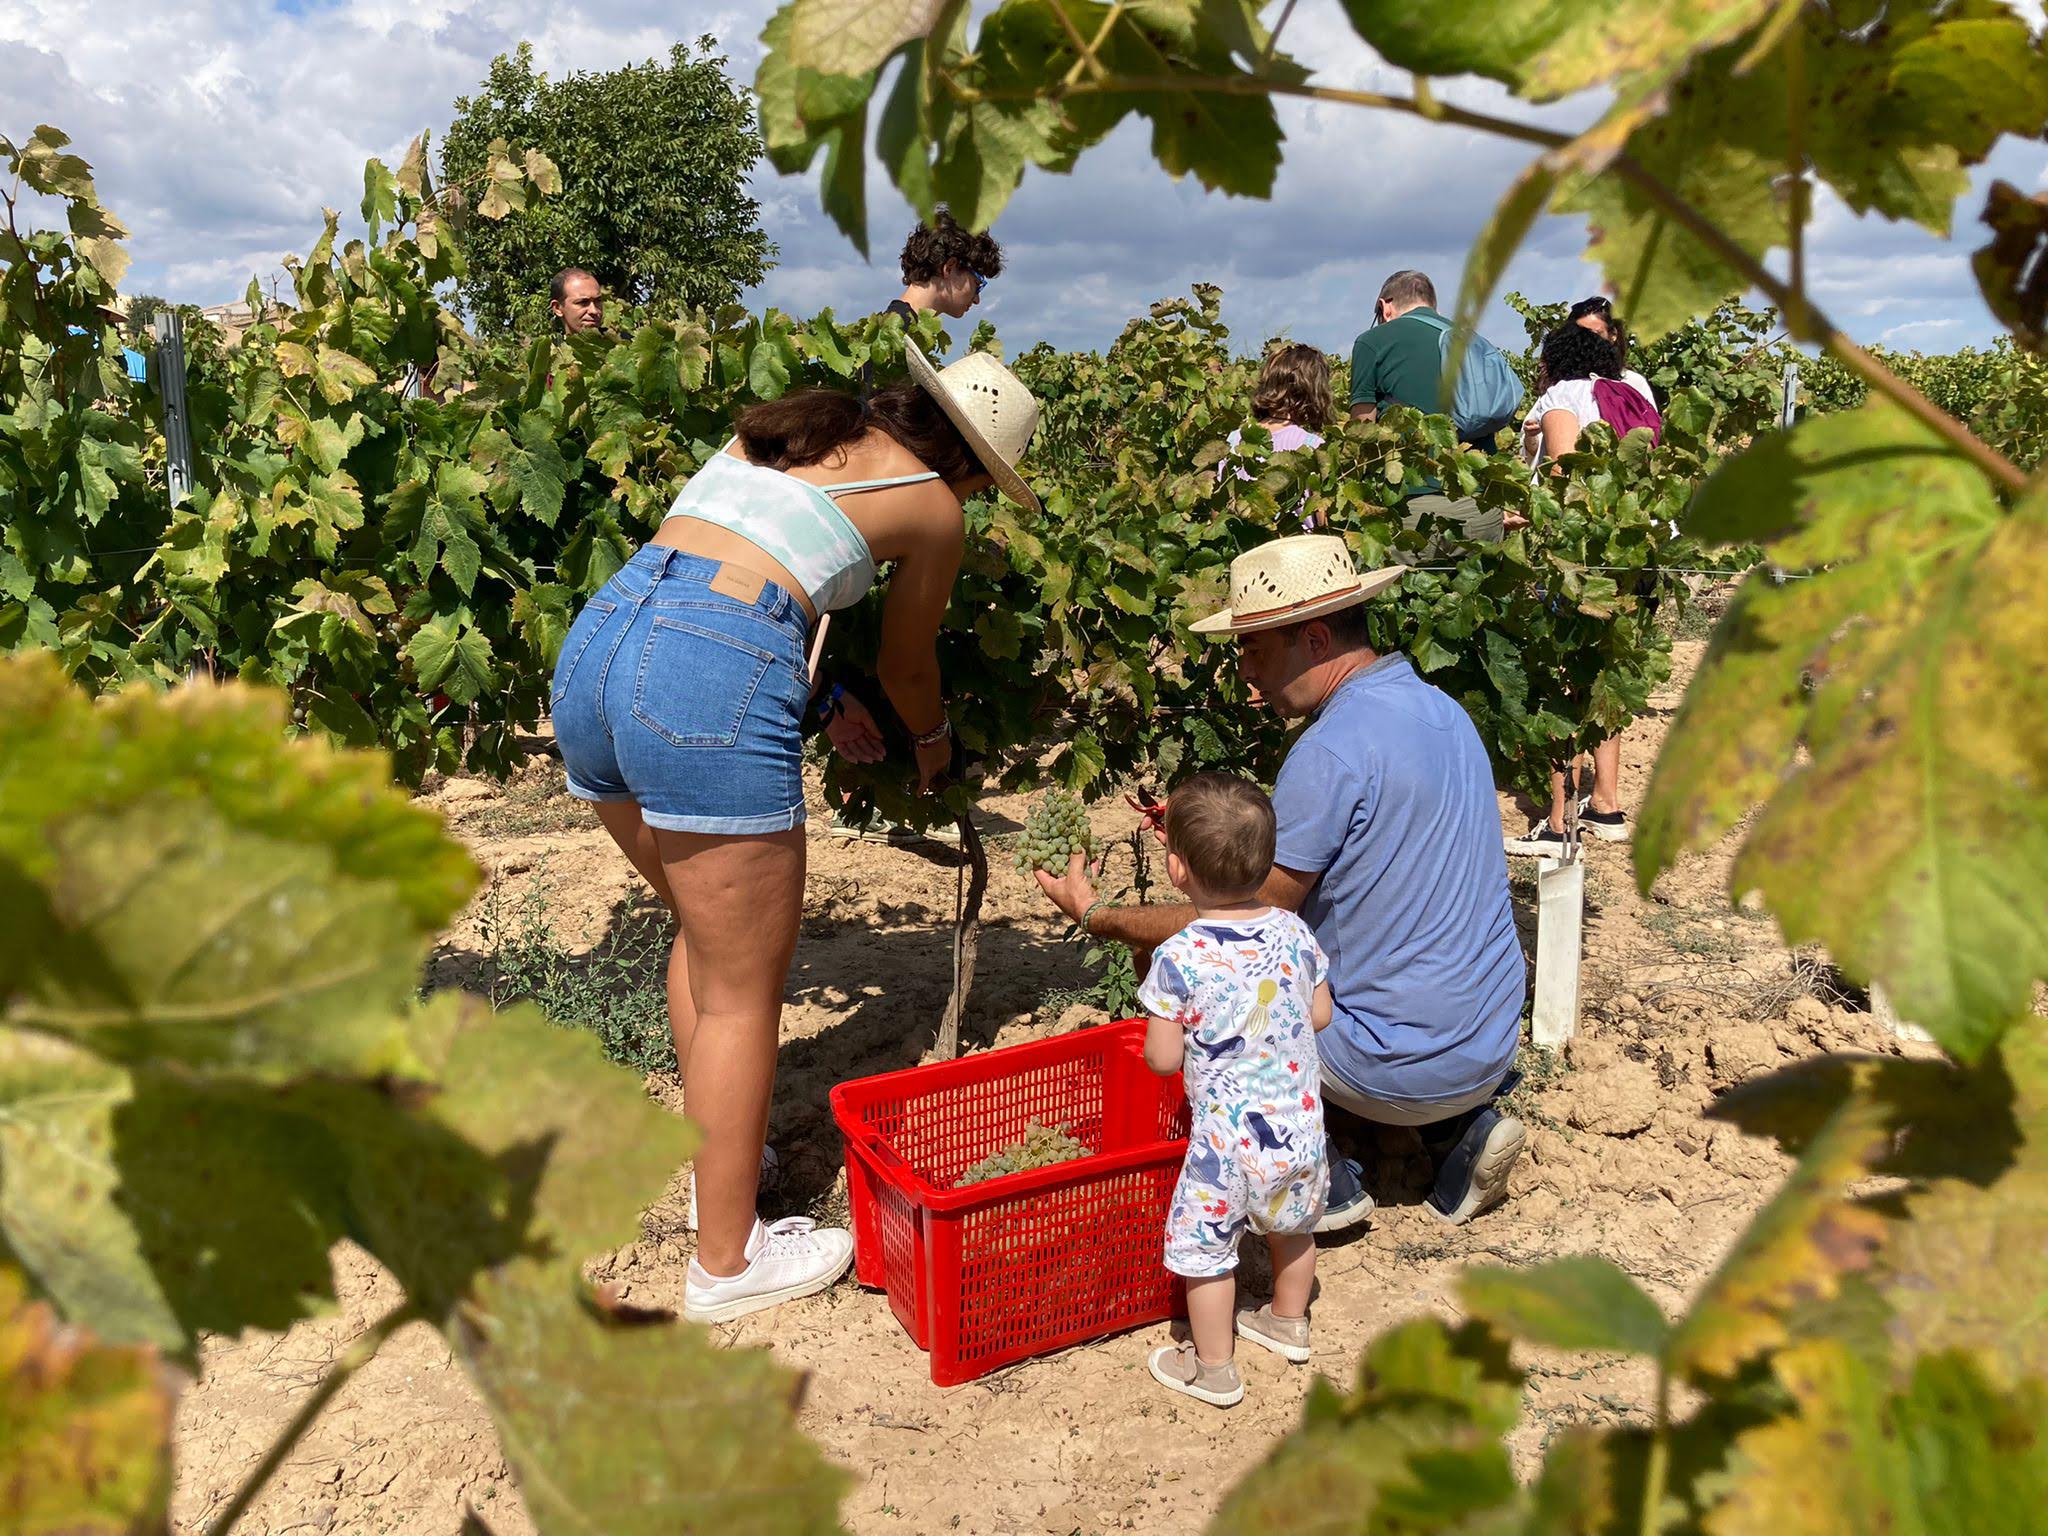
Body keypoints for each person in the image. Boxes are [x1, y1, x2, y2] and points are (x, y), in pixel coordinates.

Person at [549, 345, 1040, 1322]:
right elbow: (905, 667)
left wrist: (816, 696)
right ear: (974, 468)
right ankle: (726, 1267)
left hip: (598, 646)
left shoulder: (793, 432)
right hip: (704, 672)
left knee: (706, 937)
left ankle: (720, 1165)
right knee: (742, 990)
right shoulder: (935, 508)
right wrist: (932, 741)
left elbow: (718, 576)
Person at [1039, 535, 1530, 1229]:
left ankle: (1315, 1178)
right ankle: (1459, 1133)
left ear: (1316, 638)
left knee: (1209, 986)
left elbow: (1238, 925)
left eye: (1255, 650)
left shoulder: (1330, 750)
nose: (1246, 674)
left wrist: (1103, 917)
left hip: (1392, 1066)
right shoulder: (1444, 710)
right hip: (1491, 1041)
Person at [1137, 774, 1332, 1409]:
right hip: (1299, 1123)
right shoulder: (1295, 932)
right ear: (1268, 863)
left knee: (1206, 1251)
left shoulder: (1179, 956)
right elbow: (1321, 1013)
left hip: (1226, 1143)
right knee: (1294, 1226)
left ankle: (1214, 1368)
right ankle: (1288, 1321)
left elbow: (1164, 1059)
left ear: (1177, 869)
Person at [1506, 323, 1663, 856]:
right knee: (1607, 674)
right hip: (1633, 553)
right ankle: (1607, 804)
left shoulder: (1562, 396)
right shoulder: (1631, 392)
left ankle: (1558, 822)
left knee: (1562, 679)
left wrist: (1521, 516)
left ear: (1553, 362)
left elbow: (1564, 476)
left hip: (1579, 558)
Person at [1347, 270, 1505, 545]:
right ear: (1433, 306)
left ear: (1384, 307)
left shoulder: (1372, 342)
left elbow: (1362, 431)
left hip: (1414, 505)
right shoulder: (1470, 341)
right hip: (1483, 507)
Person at [1219, 343, 1332, 525]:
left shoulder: (1235, 440)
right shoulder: (1313, 446)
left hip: (1245, 541)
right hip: (1299, 543)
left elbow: (1219, 510)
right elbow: (1323, 520)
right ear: (1315, 393)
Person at [888, 209, 1001, 324]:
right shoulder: (900, 332)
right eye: (977, 284)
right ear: (949, 267)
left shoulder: (893, 326)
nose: (977, 300)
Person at [550, 267, 603, 335]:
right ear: (557, 308)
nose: (594, 311)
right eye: (583, 302)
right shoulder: (548, 342)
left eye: (598, 301)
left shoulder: (615, 340)